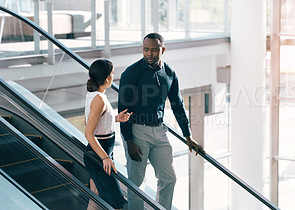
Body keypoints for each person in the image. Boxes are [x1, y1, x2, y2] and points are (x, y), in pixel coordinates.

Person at [118, 33, 205, 210]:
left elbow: (177, 105)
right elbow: (123, 110)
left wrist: (188, 136)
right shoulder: (131, 73)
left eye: (154, 50)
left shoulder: (170, 73)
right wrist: (129, 140)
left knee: (169, 179)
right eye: (146, 50)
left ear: (162, 50)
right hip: (136, 131)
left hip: (160, 131)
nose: (149, 54)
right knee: (136, 184)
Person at [84, 59, 132, 209]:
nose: (113, 76)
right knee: (116, 202)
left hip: (102, 152)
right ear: (106, 78)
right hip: (99, 154)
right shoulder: (98, 99)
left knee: (96, 197)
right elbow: (89, 133)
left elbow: (98, 121)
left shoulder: (95, 95)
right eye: (112, 73)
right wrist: (105, 157)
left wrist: (116, 118)